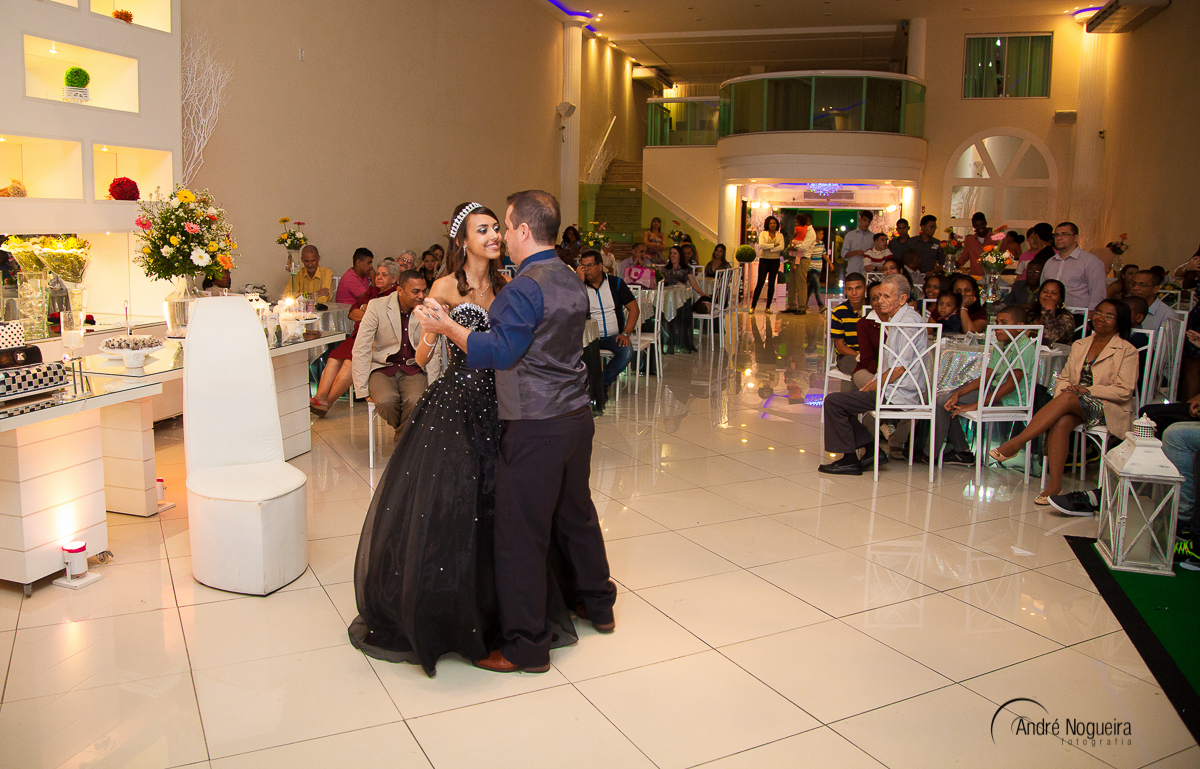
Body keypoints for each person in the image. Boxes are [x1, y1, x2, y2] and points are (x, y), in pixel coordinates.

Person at [349, 202, 571, 676]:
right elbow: (427, 351)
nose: (493, 236)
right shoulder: (445, 287)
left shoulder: (513, 286)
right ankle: (451, 605)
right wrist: (430, 329)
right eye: (483, 230)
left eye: (497, 228)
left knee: (504, 504)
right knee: (454, 498)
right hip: (458, 398)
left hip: (505, 402)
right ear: (463, 241)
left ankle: (503, 608)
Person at [417, 190, 617, 674]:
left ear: (523, 231)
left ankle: (526, 645)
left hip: (536, 423)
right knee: (575, 513)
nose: (501, 235)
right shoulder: (570, 277)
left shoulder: (525, 286)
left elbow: (501, 352)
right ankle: (597, 602)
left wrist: (450, 329)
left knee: (520, 534)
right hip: (575, 418)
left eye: (504, 226)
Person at [990, 299, 1138, 505]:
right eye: (1099, 312)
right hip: (1075, 402)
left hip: (1107, 405)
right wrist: (1067, 390)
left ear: (1120, 321)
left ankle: (1018, 442)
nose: (1101, 318)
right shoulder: (1081, 344)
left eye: (1109, 316)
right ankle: (1055, 484)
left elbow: (1125, 390)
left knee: (1067, 398)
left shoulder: (1127, 350)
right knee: (1061, 419)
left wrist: (1087, 390)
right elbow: (1063, 378)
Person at [819, 274, 928, 475]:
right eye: (879, 296)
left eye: (887, 296)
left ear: (902, 299)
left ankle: (853, 458)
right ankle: (870, 450)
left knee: (834, 402)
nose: (880, 301)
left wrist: (872, 387)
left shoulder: (907, 323)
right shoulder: (899, 319)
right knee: (840, 401)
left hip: (900, 393)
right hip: (897, 389)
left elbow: (899, 369)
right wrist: (868, 387)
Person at [929, 306, 1035, 465]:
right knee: (946, 399)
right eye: (997, 322)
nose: (997, 327)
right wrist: (958, 393)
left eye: (1003, 323)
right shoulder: (1002, 345)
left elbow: (1011, 386)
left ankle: (932, 454)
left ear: (1020, 326)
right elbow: (987, 376)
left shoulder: (1024, 347)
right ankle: (961, 451)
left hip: (1010, 398)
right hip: (993, 391)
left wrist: (977, 404)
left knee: (943, 402)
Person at [311, 259, 400, 416]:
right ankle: (320, 397)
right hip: (358, 335)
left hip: (377, 339)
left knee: (349, 363)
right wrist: (369, 313)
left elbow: (384, 321)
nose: (379, 277)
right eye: (378, 274)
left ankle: (327, 403)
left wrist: (366, 312)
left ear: (394, 279)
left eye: (384, 275)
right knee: (333, 357)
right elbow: (352, 313)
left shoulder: (394, 296)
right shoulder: (372, 292)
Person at [350, 268, 431, 436]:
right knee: (386, 401)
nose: (421, 296)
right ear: (399, 290)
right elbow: (361, 347)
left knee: (416, 400)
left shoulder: (427, 309)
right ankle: (407, 440)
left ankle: (402, 442)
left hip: (413, 367)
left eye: (424, 291)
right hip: (382, 367)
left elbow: (434, 350)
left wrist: (434, 384)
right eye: (416, 291)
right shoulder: (376, 306)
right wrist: (362, 389)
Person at [579, 250, 640, 392]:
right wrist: (578, 283)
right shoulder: (579, 286)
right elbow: (570, 309)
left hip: (614, 336)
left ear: (600, 266)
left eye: (589, 265)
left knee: (626, 352)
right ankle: (592, 389)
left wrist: (626, 333)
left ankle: (599, 386)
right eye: (583, 266)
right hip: (588, 338)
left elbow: (634, 309)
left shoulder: (616, 283)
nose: (586, 270)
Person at [1042, 221, 1106, 310]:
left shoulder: (1090, 261)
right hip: (1052, 314)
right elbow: (1043, 289)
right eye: (1056, 235)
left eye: (1064, 234)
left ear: (1076, 237)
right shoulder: (1050, 262)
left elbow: (1097, 294)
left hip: (1077, 315)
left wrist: (1089, 319)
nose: (1059, 238)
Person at [829, 272, 867, 386]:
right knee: (860, 370)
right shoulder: (839, 312)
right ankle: (854, 401)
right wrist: (859, 356)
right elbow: (840, 347)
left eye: (858, 288)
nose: (854, 293)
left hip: (871, 356)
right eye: (850, 289)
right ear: (845, 291)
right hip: (847, 357)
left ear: (865, 288)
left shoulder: (873, 309)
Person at [752, 215, 785, 313]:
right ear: (767, 224)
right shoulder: (763, 234)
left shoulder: (780, 235)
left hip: (775, 261)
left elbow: (782, 247)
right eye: (771, 223)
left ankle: (768, 307)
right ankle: (753, 306)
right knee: (760, 283)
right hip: (764, 260)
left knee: (771, 283)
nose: (773, 225)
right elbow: (761, 246)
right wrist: (774, 245)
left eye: (774, 223)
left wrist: (769, 247)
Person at [785, 213, 816, 314]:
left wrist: (793, 247)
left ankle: (802, 306)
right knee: (792, 282)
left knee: (801, 283)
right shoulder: (801, 229)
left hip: (804, 259)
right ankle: (792, 306)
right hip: (795, 257)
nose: (796, 222)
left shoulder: (811, 232)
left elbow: (804, 246)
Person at [1032, 278, 1076, 345]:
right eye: (1045, 291)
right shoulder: (1031, 312)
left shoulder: (1067, 317)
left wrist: (1049, 312)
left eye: (1054, 293)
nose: (1048, 295)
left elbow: (1052, 339)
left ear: (1060, 299)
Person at [1128, 270, 1171, 334]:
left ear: (1155, 289)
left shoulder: (1166, 315)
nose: (1135, 288)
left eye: (1143, 285)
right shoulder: (1124, 308)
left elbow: (1166, 344)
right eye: (1133, 284)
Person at [839, 210, 876, 276]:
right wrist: (855, 252)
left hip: (868, 273)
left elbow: (876, 254)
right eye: (864, 220)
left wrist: (868, 253)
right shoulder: (850, 235)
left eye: (868, 221)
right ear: (860, 219)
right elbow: (843, 253)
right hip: (853, 270)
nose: (866, 223)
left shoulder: (873, 237)